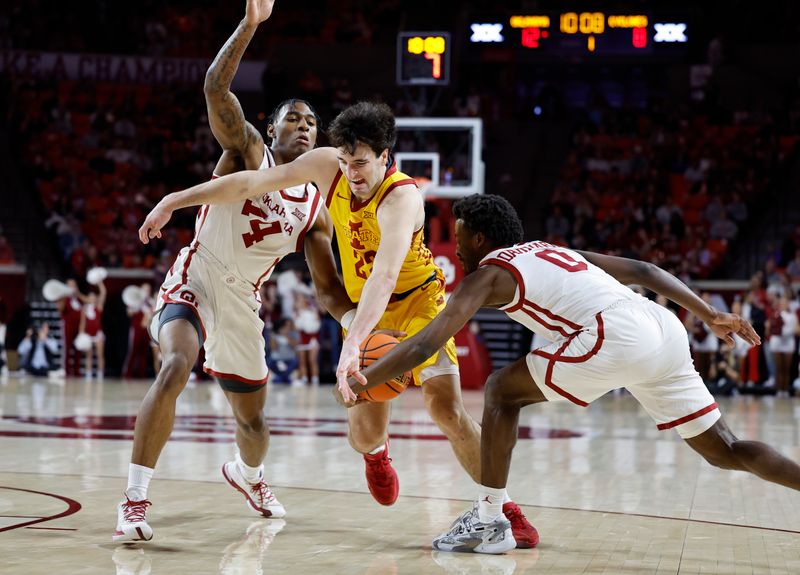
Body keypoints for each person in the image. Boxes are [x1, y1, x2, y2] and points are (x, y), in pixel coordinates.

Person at [139, 102, 538, 547]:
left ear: (386, 157)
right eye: (345, 161)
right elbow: (251, 182)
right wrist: (175, 200)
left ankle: (501, 508)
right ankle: (377, 454)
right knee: (365, 434)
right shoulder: (329, 166)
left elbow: (385, 277)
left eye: (362, 163)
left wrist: (352, 346)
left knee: (446, 409)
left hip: (418, 303)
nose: (351, 173)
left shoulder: (402, 198)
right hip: (367, 306)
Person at [333, 194, 800, 555]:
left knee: (499, 390)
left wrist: (362, 380)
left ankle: (491, 519)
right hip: (662, 328)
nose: (454, 249)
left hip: (614, 334)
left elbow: (424, 343)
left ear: (479, 238)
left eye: (458, 238)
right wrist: (707, 312)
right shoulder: (552, 251)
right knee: (725, 449)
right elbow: (643, 269)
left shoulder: (488, 274)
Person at [114, 0, 352, 543]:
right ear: (271, 130)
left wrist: (361, 323)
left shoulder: (316, 211)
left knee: (253, 424)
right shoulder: (249, 153)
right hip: (196, 275)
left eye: (312, 122)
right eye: (293, 118)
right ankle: (133, 500)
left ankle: (249, 476)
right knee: (176, 366)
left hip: (244, 301)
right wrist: (250, 25)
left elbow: (328, 292)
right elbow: (215, 90)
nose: (305, 127)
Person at [79, 280, 106, 379]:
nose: (93, 299)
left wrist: (99, 282)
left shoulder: (99, 306)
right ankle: (88, 374)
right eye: (90, 298)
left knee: (100, 355)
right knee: (89, 356)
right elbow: (82, 323)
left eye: (94, 298)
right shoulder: (85, 309)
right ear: (88, 299)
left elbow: (103, 293)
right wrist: (81, 334)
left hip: (98, 334)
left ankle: (100, 374)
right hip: (88, 334)